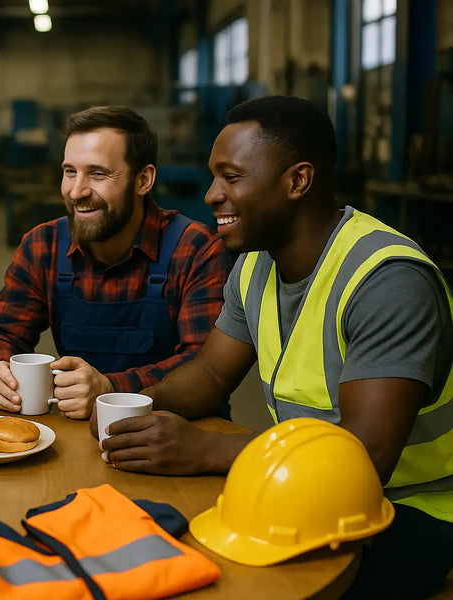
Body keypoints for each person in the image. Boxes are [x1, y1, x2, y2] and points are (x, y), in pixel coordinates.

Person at [96, 96, 453, 599]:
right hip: (304, 490)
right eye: (214, 177)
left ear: (297, 181)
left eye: (231, 177)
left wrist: (205, 450)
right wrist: (130, 405)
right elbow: (212, 376)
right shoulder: (256, 266)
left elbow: (364, 457)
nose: (212, 195)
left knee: (219, 583)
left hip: (409, 513)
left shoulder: (387, 280)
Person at [0, 106, 230, 419]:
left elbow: (204, 366)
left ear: (143, 180)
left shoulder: (194, 249)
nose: (77, 191)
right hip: (82, 432)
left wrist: (110, 389)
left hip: (176, 430)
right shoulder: (43, 245)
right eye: (70, 172)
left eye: (98, 174)